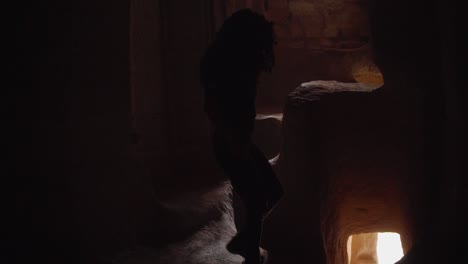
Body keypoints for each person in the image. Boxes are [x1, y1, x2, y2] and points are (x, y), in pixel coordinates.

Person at [200, 9, 284, 264]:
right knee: (259, 196)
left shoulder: (238, 66)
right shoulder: (230, 70)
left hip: (237, 139)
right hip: (229, 140)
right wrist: (234, 140)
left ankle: (247, 244)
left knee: (272, 192)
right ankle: (247, 249)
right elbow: (217, 108)